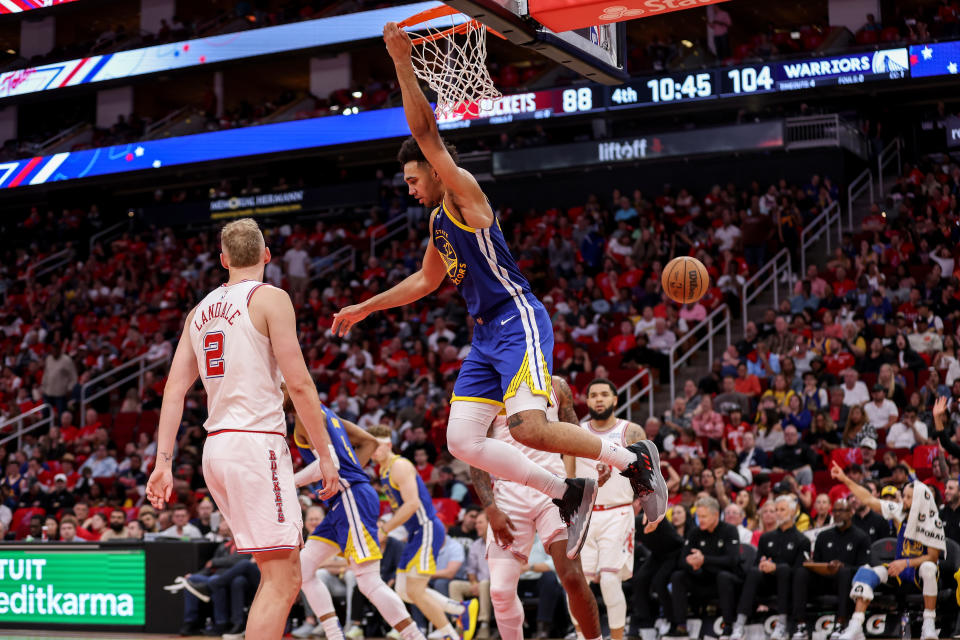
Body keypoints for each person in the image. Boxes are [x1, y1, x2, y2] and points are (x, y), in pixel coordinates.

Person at [331, 23, 668, 558]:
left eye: (414, 180)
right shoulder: (438, 225)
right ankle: (567, 491)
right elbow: (425, 280)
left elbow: (425, 135)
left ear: (436, 173)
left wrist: (401, 61)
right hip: (486, 336)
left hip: (518, 320)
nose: (411, 188)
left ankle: (632, 459)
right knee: (462, 440)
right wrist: (366, 307)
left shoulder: (464, 195)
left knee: (529, 427)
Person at [146, 218, 340, 640]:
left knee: (275, 573)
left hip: (216, 450)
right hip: (255, 445)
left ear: (224, 260)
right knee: (285, 579)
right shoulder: (271, 298)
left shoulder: (198, 313)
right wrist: (326, 454)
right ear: (267, 256)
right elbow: (302, 385)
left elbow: (174, 390)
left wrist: (163, 463)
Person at [469, 376, 603, 640]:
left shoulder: (556, 385)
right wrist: (491, 509)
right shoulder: (489, 388)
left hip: (553, 488)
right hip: (508, 493)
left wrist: (596, 462)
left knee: (573, 579)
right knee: (500, 591)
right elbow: (475, 452)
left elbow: (574, 433)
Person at [292, 396, 431, 640]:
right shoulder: (325, 412)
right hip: (343, 500)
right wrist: (354, 472)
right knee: (304, 568)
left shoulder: (305, 415)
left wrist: (288, 482)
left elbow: (330, 463)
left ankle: (414, 637)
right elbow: (369, 441)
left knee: (369, 581)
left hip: (350, 498)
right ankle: (335, 635)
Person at [370, 425, 476, 640]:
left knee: (416, 591)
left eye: (378, 445)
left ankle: (449, 635)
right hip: (414, 532)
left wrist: (385, 529)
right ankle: (459, 609)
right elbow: (402, 510)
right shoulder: (382, 470)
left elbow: (412, 504)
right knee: (402, 591)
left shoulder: (399, 466)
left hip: (426, 528)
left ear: (389, 444)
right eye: (370, 445)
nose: (374, 450)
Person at [565, 378, 647, 640]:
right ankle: (583, 637)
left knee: (611, 582)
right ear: (587, 401)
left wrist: (652, 508)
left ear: (615, 399)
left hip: (618, 512)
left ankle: (617, 637)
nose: (598, 399)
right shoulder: (575, 431)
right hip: (584, 514)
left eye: (604, 394)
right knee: (577, 585)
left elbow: (648, 473)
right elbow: (568, 474)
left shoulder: (631, 431)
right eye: (593, 395)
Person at [830, 462, 942, 640]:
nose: (903, 500)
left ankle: (928, 624)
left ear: (920, 500)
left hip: (918, 574)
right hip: (899, 571)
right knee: (866, 572)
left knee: (929, 568)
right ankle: (855, 626)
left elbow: (933, 556)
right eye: (904, 496)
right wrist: (844, 479)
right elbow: (868, 499)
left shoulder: (933, 522)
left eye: (908, 497)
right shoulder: (900, 511)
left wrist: (905, 562)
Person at [730, 495, 810, 640]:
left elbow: (799, 571)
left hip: (789, 584)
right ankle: (739, 624)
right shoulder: (766, 538)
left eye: (782, 509)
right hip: (767, 583)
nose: (778, 513)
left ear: (792, 512)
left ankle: (782, 623)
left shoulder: (802, 540)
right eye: (776, 510)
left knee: (784, 569)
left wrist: (776, 568)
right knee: (754, 571)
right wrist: (762, 565)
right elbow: (756, 563)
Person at [791, 498, 870, 640]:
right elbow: (818, 562)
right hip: (823, 580)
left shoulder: (861, 537)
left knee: (844, 572)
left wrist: (842, 566)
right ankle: (801, 625)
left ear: (851, 512)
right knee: (801, 572)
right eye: (835, 511)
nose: (838, 514)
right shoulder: (823, 535)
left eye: (842, 511)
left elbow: (864, 567)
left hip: (847, 583)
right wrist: (812, 564)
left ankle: (840, 624)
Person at [667, 496, 742, 638]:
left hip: (723, 580)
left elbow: (732, 560)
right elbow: (682, 560)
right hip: (701, 578)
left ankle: (728, 624)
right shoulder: (695, 532)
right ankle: (680, 625)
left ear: (715, 515)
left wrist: (704, 560)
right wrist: (692, 563)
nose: (700, 520)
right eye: (698, 516)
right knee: (678, 576)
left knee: (723, 577)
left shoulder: (729, 530)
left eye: (704, 516)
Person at [631, 514, 686, 640]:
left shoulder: (656, 517)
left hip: (674, 552)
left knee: (659, 582)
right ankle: (646, 619)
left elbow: (677, 541)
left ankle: (671, 620)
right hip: (657, 555)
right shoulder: (624, 524)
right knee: (639, 579)